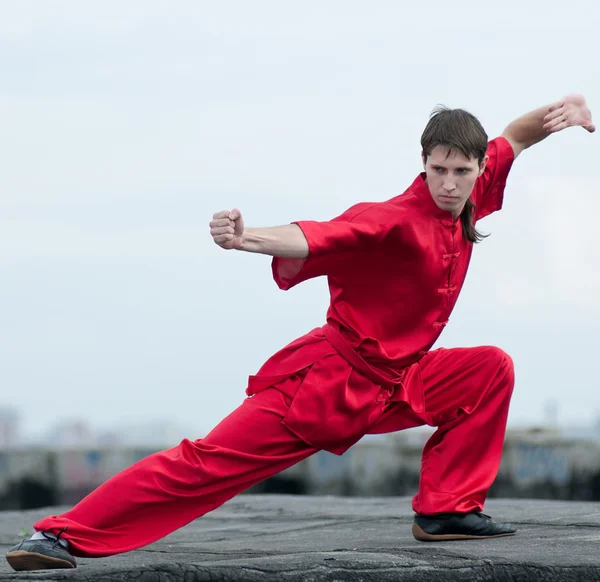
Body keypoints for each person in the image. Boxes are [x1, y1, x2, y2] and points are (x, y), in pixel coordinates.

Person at [6, 94, 595, 571]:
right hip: (330, 383)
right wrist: (245, 237)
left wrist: (559, 115)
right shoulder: (390, 219)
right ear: (423, 164)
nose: (448, 183)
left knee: (489, 368)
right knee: (206, 461)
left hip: (402, 378)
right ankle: (59, 535)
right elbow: (315, 236)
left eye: (460, 172)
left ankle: (445, 512)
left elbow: (513, 137)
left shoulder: (471, 190)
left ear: (475, 172)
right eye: (437, 170)